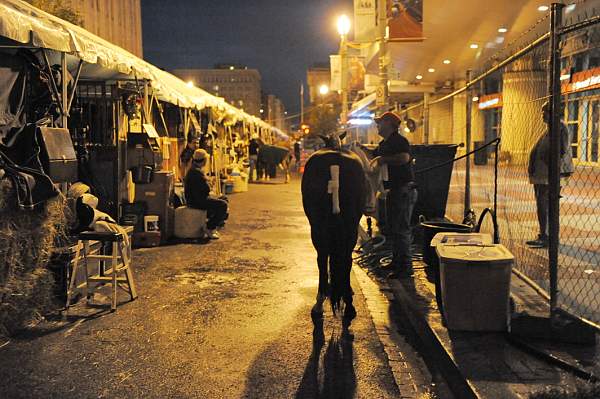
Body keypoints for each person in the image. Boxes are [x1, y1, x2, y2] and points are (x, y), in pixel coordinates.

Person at [370, 111, 417, 278]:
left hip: (402, 190)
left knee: (401, 229)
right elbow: (373, 155)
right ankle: (397, 262)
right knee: (394, 229)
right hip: (393, 191)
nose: (377, 125)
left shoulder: (399, 141)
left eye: (380, 122)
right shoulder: (385, 143)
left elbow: (404, 158)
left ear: (389, 124)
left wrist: (383, 160)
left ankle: (405, 268)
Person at [526, 101, 574, 248]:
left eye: (545, 112)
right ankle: (544, 234)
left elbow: (561, 150)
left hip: (549, 174)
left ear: (554, 113)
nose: (542, 115)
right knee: (541, 204)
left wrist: (548, 164)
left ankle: (547, 236)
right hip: (541, 173)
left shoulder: (560, 127)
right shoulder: (549, 129)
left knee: (544, 204)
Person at [184, 149, 228, 240]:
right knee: (223, 204)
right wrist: (209, 183)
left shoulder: (193, 170)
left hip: (196, 198)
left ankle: (215, 222)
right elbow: (206, 189)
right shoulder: (196, 172)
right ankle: (210, 227)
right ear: (204, 160)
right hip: (197, 201)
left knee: (223, 198)